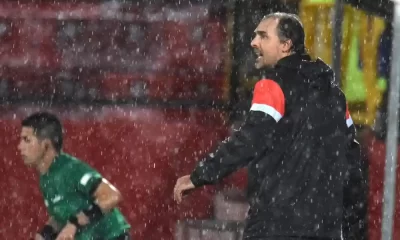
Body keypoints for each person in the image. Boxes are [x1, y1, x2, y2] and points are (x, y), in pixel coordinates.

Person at [174, 12, 350, 240]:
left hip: (277, 223)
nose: (253, 42)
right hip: (326, 227)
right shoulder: (335, 96)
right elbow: (349, 155)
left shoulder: (272, 86)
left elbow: (248, 141)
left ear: (286, 45)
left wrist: (199, 175)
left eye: (263, 36)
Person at [18, 112, 131, 240]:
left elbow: (112, 196)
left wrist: (74, 224)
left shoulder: (71, 169)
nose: (20, 146)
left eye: (26, 140)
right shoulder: (45, 178)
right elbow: (63, 213)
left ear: (46, 145)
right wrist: (45, 234)